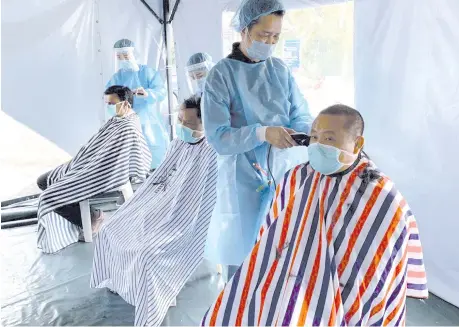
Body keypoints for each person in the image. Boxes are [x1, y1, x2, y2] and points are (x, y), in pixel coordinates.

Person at [201, 105, 428, 326]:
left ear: (357, 143)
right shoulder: (296, 178)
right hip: (294, 279)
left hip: (347, 288)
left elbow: (386, 257)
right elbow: (272, 235)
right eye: (315, 137)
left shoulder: (379, 193)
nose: (318, 145)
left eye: (329, 139)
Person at [202, 0, 312, 277]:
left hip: (283, 169)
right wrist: (262, 133)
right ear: (245, 30)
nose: (270, 42)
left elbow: (301, 113)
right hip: (242, 177)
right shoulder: (221, 75)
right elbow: (218, 137)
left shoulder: (279, 70)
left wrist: (298, 134)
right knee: (242, 253)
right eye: (264, 35)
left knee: (280, 247)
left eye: (275, 36)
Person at [90, 95, 218, 327]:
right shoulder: (177, 144)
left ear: (205, 124)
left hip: (181, 217)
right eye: (179, 120)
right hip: (156, 204)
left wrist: (171, 207)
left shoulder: (211, 153)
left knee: (148, 255)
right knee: (110, 229)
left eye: (188, 124)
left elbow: (203, 199)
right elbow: (158, 180)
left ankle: (151, 302)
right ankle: (118, 282)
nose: (182, 127)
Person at [37, 86, 151, 254]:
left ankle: (90, 220)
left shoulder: (128, 127)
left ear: (125, 103)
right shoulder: (117, 120)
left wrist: (87, 171)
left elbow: (115, 162)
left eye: (111, 103)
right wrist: (78, 163)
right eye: (107, 103)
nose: (108, 107)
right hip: (86, 166)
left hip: (99, 174)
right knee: (44, 180)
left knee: (49, 196)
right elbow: (94, 147)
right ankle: (89, 214)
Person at [107, 38, 169, 169]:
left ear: (134, 54)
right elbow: (109, 99)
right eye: (119, 56)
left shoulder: (147, 72)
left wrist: (147, 93)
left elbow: (161, 91)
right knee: (130, 150)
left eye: (126, 55)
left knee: (153, 145)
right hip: (127, 120)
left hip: (149, 119)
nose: (123, 59)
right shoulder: (117, 77)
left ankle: (156, 174)